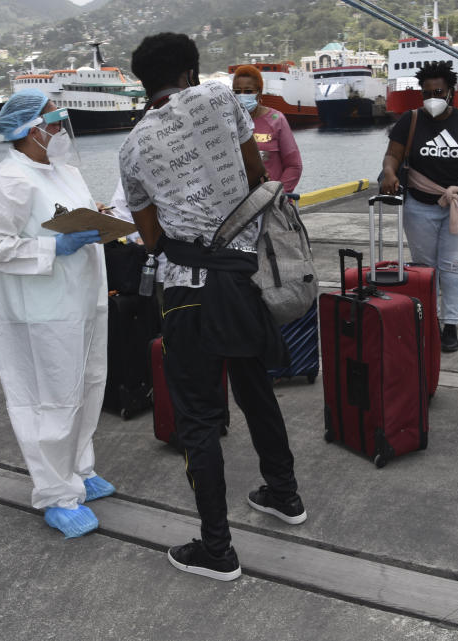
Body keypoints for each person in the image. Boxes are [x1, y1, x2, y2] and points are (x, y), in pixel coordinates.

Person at [119, 33, 306, 582]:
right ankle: (284, 494)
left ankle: (217, 548)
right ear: (190, 72)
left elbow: (151, 236)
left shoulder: (132, 146)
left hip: (187, 295)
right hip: (243, 280)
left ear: (142, 81)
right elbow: (255, 178)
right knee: (256, 390)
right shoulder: (224, 99)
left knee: (199, 420)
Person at [0, 89, 114, 539]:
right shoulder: (8, 180)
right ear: (31, 129)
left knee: (89, 383)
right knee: (51, 398)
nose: (59, 130)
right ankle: (56, 494)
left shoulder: (64, 171)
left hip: (82, 297)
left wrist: (96, 218)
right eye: (53, 122)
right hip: (42, 308)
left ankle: (79, 467)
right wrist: (55, 244)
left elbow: (66, 213)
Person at [379, 60, 458, 352]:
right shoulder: (410, 120)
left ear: (451, 93)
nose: (433, 99)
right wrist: (390, 172)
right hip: (420, 206)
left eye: (439, 92)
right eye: (427, 93)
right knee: (425, 269)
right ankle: (427, 320)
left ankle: (451, 324)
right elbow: (392, 156)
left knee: (454, 268)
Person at [231, 65, 303, 193]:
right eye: (237, 91)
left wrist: (277, 195)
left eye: (248, 91)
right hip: (240, 203)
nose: (241, 95)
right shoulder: (229, 123)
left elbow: (294, 166)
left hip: (272, 202)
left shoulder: (277, 120)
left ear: (259, 92)